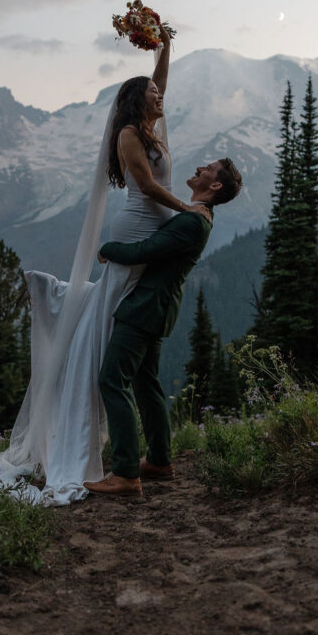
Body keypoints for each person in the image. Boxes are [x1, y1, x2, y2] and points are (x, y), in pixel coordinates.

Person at [0, 25, 209, 506]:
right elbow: (147, 188)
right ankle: (125, 460)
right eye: (151, 93)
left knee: (138, 360)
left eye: (158, 90)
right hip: (134, 232)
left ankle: (152, 460)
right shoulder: (130, 134)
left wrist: (165, 48)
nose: (160, 95)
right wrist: (186, 209)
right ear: (136, 102)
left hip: (149, 236)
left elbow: (160, 84)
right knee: (115, 331)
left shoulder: (151, 125)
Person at [85, 157, 243, 497]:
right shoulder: (198, 217)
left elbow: (145, 251)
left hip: (145, 308)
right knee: (145, 383)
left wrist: (106, 249)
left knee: (112, 379)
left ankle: (125, 473)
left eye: (209, 169)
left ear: (214, 186)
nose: (201, 167)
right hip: (158, 309)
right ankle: (159, 460)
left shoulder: (192, 223)